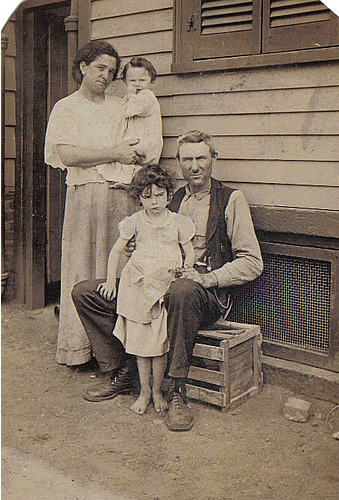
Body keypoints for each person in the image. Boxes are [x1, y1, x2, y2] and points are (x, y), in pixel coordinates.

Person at [72, 130, 263, 431]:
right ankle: (123, 370)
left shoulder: (230, 200)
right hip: (156, 284)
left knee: (182, 290)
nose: (195, 166)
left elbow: (252, 263)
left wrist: (208, 278)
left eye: (201, 157)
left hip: (204, 295)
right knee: (85, 293)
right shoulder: (168, 199)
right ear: (179, 162)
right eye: (187, 159)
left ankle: (176, 389)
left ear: (214, 159)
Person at [44, 41, 144, 368]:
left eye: (112, 72)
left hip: (119, 196)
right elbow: (69, 155)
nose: (106, 75)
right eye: (100, 68)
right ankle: (80, 351)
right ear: (84, 66)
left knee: (115, 269)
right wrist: (115, 153)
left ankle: (118, 356)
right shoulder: (67, 108)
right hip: (85, 198)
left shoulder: (119, 105)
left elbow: (138, 141)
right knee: (83, 267)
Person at [97, 165, 195, 415]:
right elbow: (116, 250)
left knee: (159, 344)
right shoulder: (135, 222)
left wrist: (188, 268)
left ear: (169, 195)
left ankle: (158, 391)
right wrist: (110, 281)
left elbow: (189, 249)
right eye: (148, 196)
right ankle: (143, 392)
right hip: (139, 288)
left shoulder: (177, 222)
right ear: (139, 198)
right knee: (142, 346)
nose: (155, 201)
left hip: (163, 288)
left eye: (160, 195)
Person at [97, 57, 163, 186]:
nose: (137, 84)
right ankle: (127, 181)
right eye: (132, 81)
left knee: (136, 158)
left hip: (146, 139)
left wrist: (131, 94)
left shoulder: (147, 96)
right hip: (136, 137)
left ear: (151, 81)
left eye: (142, 80)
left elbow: (134, 108)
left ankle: (129, 181)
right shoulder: (132, 98)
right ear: (125, 81)